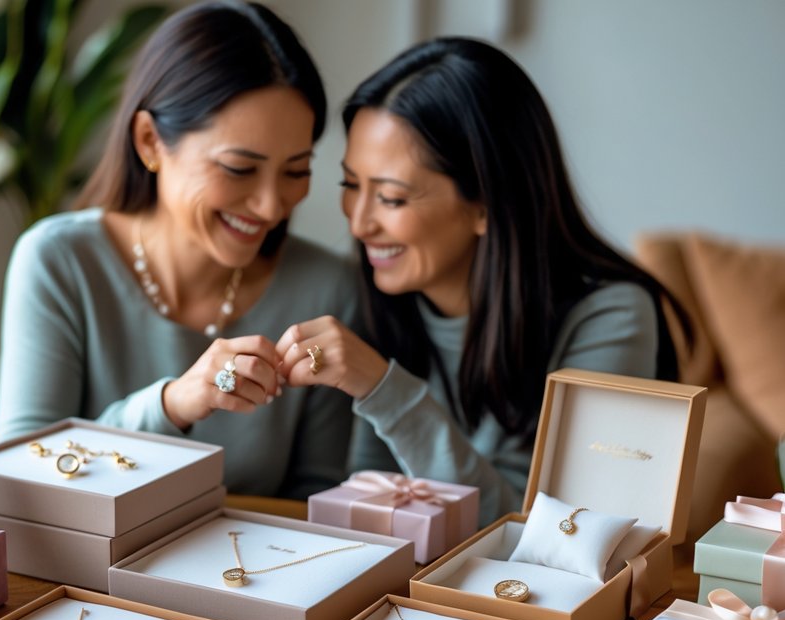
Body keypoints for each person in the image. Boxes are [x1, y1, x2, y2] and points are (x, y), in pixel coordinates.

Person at [274, 37, 679, 523]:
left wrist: (385, 390)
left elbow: (560, 536)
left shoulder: (610, 316)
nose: (359, 224)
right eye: (350, 185)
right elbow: (370, 503)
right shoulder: (386, 291)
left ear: (485, 204)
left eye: (392, 198)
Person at [0, 1, 358, 499]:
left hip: (249, 569)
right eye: (238, 168)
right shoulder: (59, 260)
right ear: (149, 142)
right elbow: (17, 479)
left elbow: (317, 498)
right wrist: (171, 405)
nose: (272, 205)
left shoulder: (328, 286)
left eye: (296, 171)